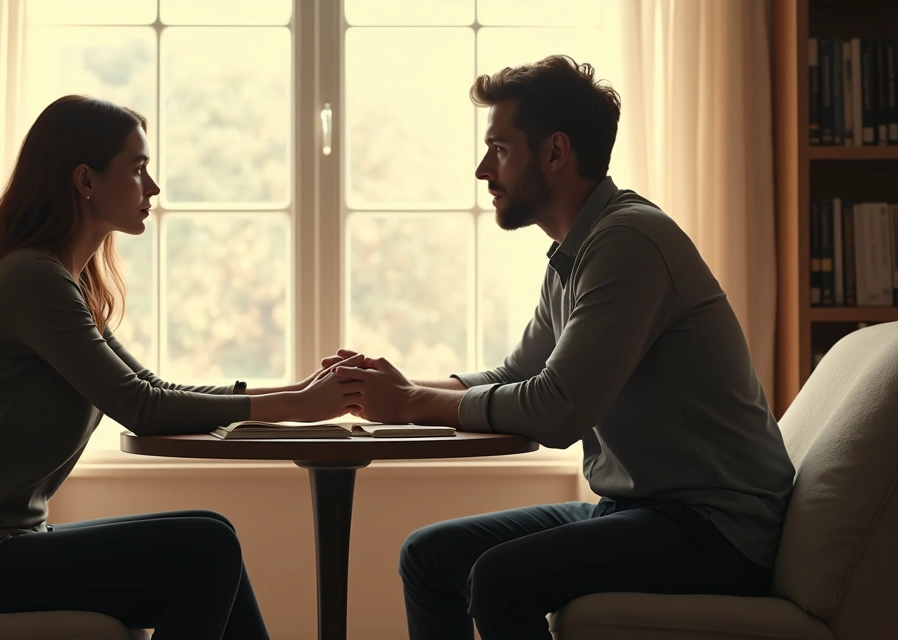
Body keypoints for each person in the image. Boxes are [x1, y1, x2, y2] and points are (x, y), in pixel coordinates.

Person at [322, 55, 796, 639]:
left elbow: (557, 408)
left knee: (500, 579)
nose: (480, 169)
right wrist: (396, 388)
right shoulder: (576, 253)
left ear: (554, 152)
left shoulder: (629, 242)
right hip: (638, 510)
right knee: (430, 556)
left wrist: (412, 404)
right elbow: (516, 373)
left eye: (498, 148)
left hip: (714, 528)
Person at [0, 94, 364, 640]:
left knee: (212, 541)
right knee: (208, 544)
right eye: (138, 168)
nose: (153, 187)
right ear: (85, 180)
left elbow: (148, 387)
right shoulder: (32, 280)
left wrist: (295, 392)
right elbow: (140, 408)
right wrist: (293, 406)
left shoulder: (63, 283)